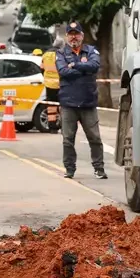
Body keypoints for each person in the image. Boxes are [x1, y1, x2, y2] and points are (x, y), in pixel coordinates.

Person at [56, 21, 106, 180]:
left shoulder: (91, 51)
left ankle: (99, 169)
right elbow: (63, 71)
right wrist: (83, 69)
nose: (74, 37)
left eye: (76, 34)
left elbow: (94, 66)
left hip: (88, 103)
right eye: (71, 35)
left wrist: (74, 65)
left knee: (95, 138)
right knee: (67, 140)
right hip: (68, 103)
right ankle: (69, 169)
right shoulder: (61, 53)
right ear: (66, 36)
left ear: (82, 36)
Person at [41, 38, 64, 130]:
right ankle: (63, 125)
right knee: (63, 105)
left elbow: (41, 68)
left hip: (49, 84)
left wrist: (47, 77)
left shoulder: (45, 54)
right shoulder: (61, 54)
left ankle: (52, 126)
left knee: (51, 105)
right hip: (60, 84)